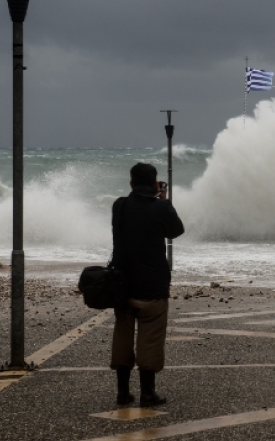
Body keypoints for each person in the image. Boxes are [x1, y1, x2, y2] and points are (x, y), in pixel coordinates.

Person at [110, 162, 184, 407]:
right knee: (150, 338)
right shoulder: (161, 207)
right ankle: (147, 393)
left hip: (122, 283)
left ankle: (122, 392)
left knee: (123, 335)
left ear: (131, 183)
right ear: (155, 184)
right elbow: (176, 231)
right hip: (152, 285)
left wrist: (157, 199)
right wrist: (164, 200)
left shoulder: (119, 206)